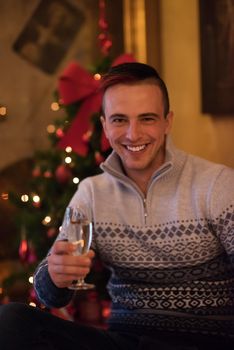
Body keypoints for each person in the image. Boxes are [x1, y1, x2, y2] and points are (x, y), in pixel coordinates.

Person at [0, 62, 234, 350]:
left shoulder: (217, 184)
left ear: (167, 122)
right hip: (123, 341)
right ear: (104, 125)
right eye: (120, 120)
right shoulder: (91, 192)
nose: (133, 135)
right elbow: (49, 292)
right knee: (11, 320)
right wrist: (55, 275)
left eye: (147, 119)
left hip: (203, 344)